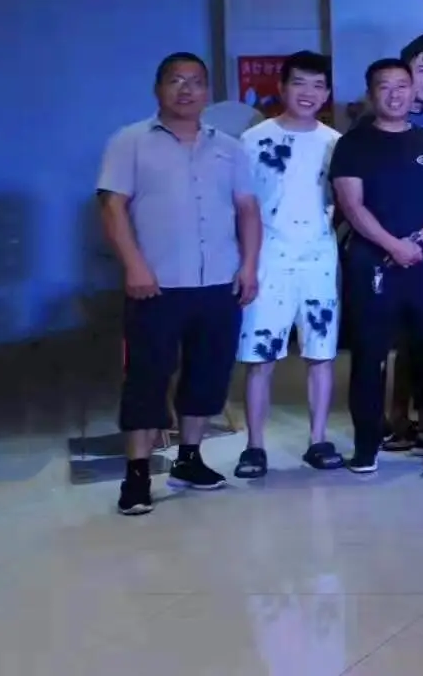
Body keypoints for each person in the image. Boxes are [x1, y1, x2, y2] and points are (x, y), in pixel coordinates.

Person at [98, 52, 261, 515]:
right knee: (147, 377)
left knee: (208, 375)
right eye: (175, 80)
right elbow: (111, 206)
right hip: (157, 284)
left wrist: (249, 266)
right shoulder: (130, 141)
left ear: (207, 91)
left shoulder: (229, 147)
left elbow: (248, 209)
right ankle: (136, 475)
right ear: (158, 88)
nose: (186, 90)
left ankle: (189, 459)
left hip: (219, 282)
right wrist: (134, 266)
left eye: (195, 82)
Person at [331, 58, 423, 472]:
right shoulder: (353, 144)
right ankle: (367, 443)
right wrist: (392, 245)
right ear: (371, 94)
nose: (395, 93)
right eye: (384, 86)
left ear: (413, 90)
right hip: (372, 262)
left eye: (402, 85)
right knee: (370, 354)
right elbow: (352, 205)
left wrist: (418, 241)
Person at [232, 51, 343, 477]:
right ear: (281, 87)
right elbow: (239, 205)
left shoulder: (335, 143)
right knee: (260, 357)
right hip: (268, 258)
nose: (308, 93)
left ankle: (318, 439)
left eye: (318, 85)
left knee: (321, 353)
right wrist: (245, 262)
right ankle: (254, 446)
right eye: (299, 83)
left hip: (318, 258)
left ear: (327, 93)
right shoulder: (252, 140)